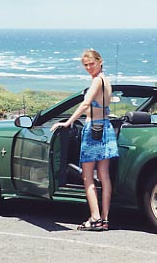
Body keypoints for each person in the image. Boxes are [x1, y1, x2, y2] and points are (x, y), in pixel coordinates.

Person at [50, 49, 119, 231]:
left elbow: (86, 103)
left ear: (100, 61)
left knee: (87, 176)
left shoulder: (97, 81)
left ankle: (94, 217)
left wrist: (68, 122)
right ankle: (104, 219)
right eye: (85, 65)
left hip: (93, 129)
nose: (89, 68)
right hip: (106, 128)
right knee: (104, 175)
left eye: (91, 64)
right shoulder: (107, 81)